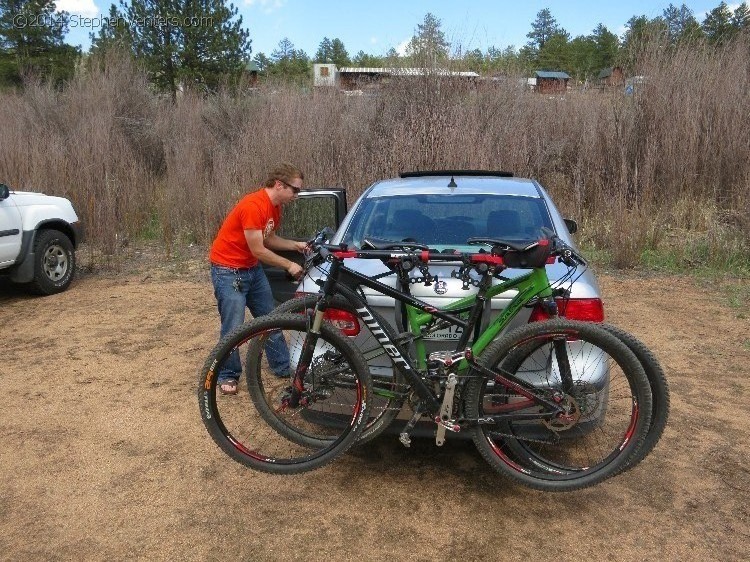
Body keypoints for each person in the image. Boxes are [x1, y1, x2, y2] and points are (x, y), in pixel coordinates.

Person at [209, 163, 307, 395]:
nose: (297, 195)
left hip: (251, 269)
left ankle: (283, 367)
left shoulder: (275, 207)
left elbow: (268, 239)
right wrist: (290, 264)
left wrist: (296, 245)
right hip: (228, 270)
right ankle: (227, 375)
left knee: (271, 318)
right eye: (295, 190)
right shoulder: (254, 205)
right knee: (233, 325)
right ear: (279, 185)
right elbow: (259, 250)